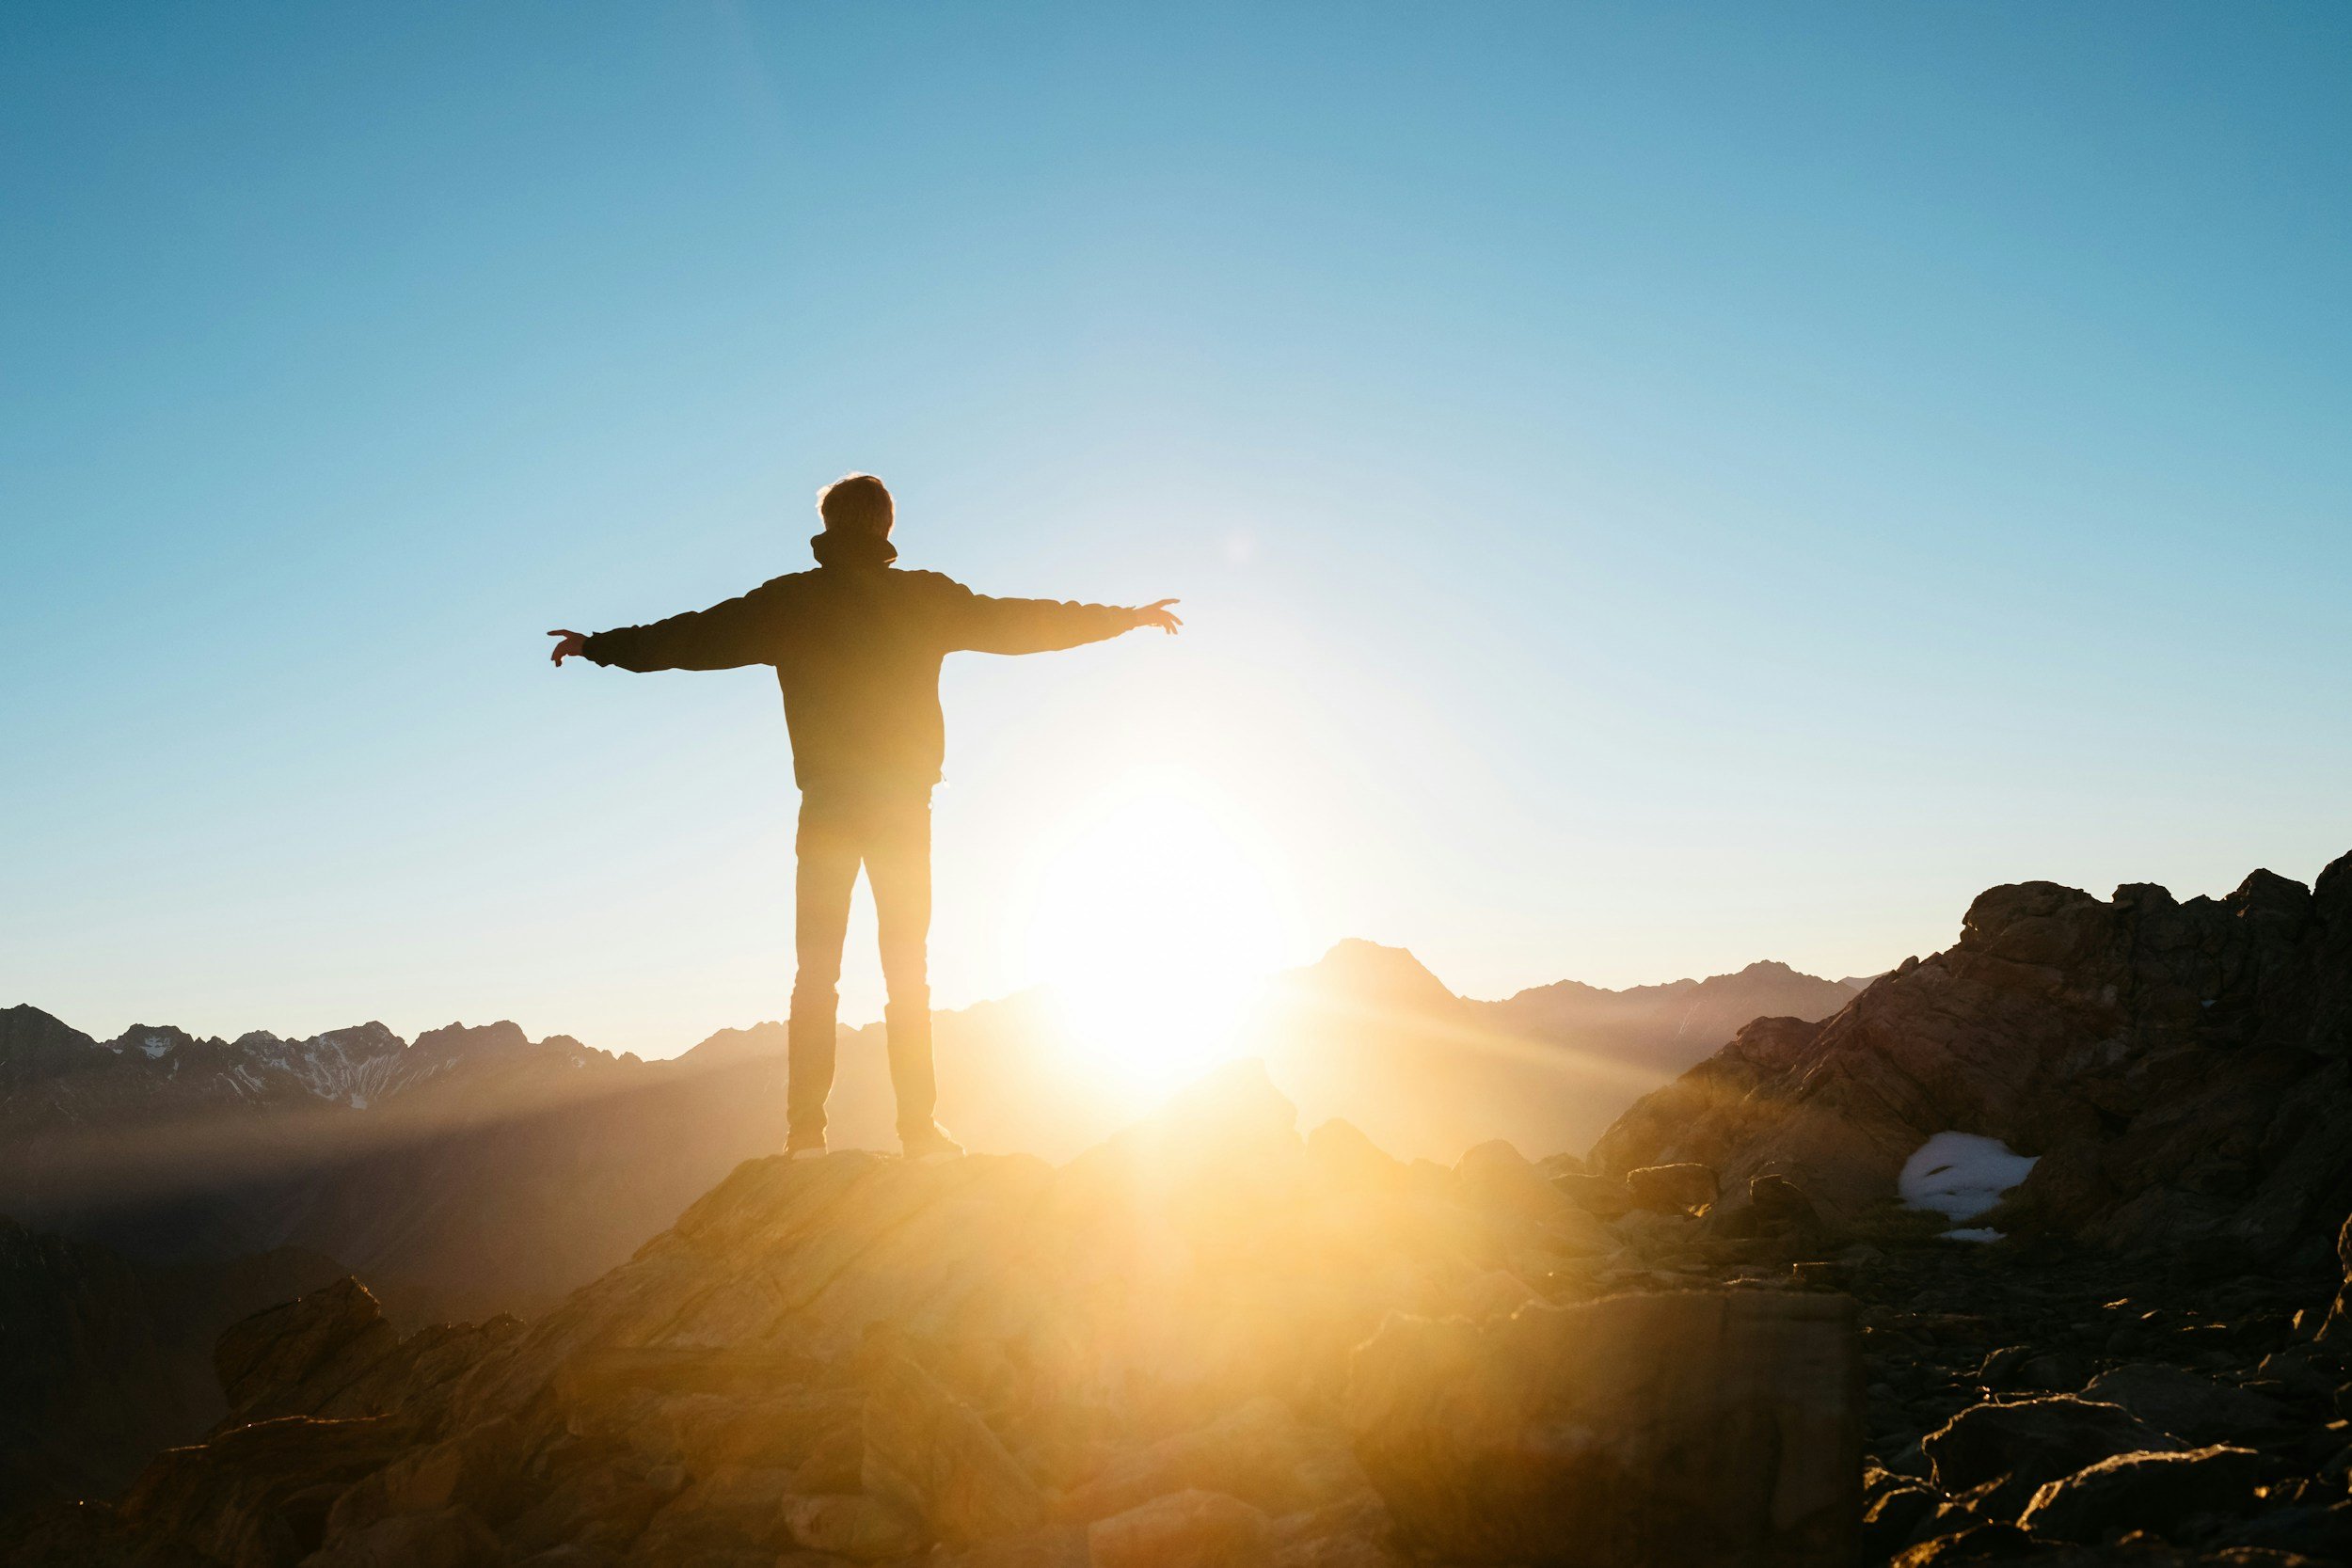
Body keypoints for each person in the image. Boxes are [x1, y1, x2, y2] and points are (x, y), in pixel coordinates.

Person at [550, 474, 1180, 1161]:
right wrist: (1126, 616)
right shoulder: (924, 599)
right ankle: (919, 1133)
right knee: (908, 968)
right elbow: (1027, 621)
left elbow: (691, 637)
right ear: (885, 527)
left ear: (828, 523)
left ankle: (804, 1134)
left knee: (816, 971)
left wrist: (599, 645)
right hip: (904, 807)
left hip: (827, 806)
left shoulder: (791, 601)